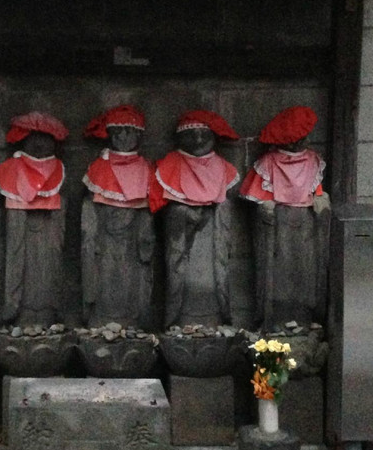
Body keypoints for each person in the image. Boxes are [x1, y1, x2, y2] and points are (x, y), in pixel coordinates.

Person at [239, 105, 330, 330]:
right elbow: (259, 196)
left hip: (306, 221)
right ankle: (276, 317)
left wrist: (320, 201)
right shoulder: (268, 162)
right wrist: (266, 209)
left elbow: (316, 189)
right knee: (279, 270)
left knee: (305, 268)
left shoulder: (313, 160)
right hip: (279, 223)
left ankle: (305, 315)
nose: (301, 142)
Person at [151, 109, 240, 328]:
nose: (199, 140)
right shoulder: (171, 163)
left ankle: (215, 319)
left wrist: (218, 211)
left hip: (211, 242)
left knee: (211, 283)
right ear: (180, 137)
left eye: (204, 134)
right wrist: (182, 214)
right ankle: (179, 321)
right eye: (192, 135)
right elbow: (164, 211)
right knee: (182, 281)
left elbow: (226, 205)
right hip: (185, 245)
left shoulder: (222, 167)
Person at [0, 111, 69, 327]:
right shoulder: (11, 168)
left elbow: (63, 207)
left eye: (45, 138)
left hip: (47, 242)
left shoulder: (59, 170)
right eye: (34, 138)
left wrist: (54, 214)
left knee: (47, 270)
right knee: (18, 266)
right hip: (20, 242)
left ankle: (49, 313)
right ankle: (14, 309)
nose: (39, 144)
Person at [81, 105, 155, 329]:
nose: (123, 137)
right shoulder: (98, 167)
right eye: (118, 132)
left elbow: (149, 211)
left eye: (129, 131)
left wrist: (145, 233)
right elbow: (89, 209)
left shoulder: (146, 168)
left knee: (133, 281)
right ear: (109, 135)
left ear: (139, 135)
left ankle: (132, 322)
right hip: (104, 242)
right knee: (104, 279)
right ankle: (101, 320)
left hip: (133, 243)